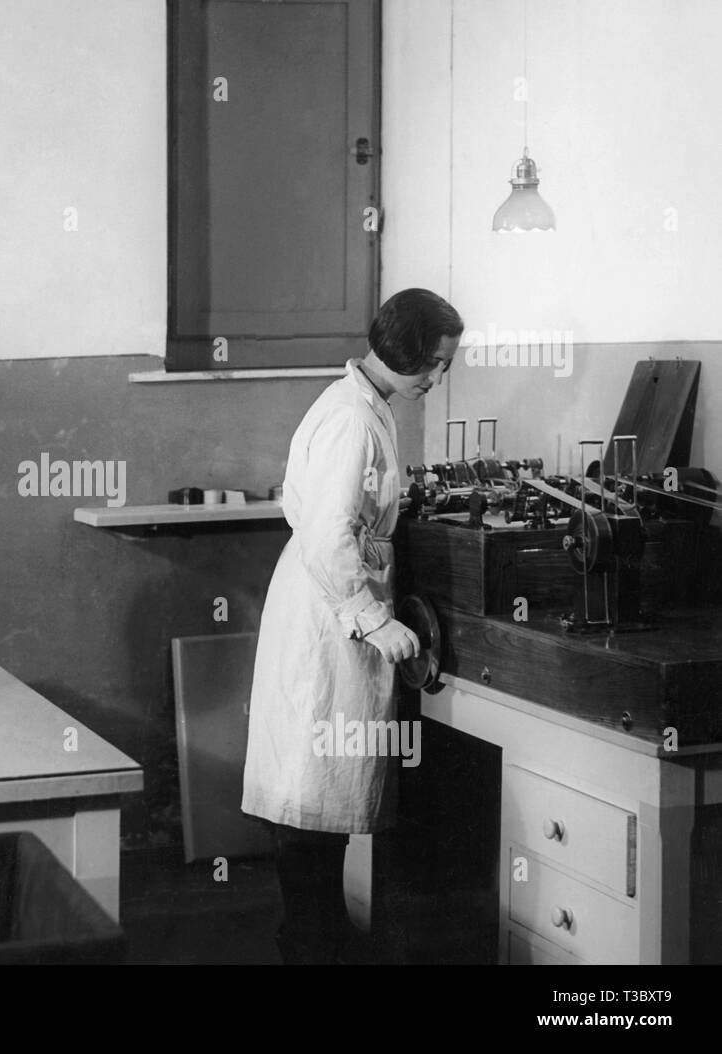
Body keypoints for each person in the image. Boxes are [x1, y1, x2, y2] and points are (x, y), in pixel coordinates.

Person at [242, 288, 463, 964]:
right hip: (328, 611)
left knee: (320, 794)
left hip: (327, 603)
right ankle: (311, 941)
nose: (437, 378)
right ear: (404, 355)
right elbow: (331, 534)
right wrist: (374, 620)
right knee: (314, 792)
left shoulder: (364, 406)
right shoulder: (352, 421)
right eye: (434, 364)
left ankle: (316, 933)